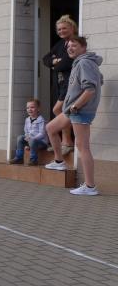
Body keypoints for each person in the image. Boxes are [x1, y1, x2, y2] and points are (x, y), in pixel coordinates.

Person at [44, 35, 103, 195]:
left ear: (83, 48)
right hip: (72, 110)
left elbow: (90, 89)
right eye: (68, 46)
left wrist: (76, 105)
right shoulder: (81, 63)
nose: (70, 48)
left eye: (74, 45)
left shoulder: (84, 63)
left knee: (83, 147)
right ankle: (59, 161)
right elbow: (99, 81)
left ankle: (90, 186)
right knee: (50, 128)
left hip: (80, 111)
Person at [42, 15, 76, 155]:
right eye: (59, 29)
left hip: (71, 83)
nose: (61, 31)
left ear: (72, 28)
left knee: (58, 110)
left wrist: (56, 63)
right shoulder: (60, 44)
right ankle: (65, 142)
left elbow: (66, 63)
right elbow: (45, 59)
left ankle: (67, 142)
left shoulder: (74, 42)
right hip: (61, 84)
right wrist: (55, 61)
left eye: (64, 28)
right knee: (60, 110)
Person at [9, 99, 47, 166]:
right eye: (28, 108)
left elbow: (42, 134)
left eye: (32, 107)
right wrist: (27, 137)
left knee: (33, 141)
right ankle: (19, 158)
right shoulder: (27, 120)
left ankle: (33, 160)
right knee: (20, 138)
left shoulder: (41, 120)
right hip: (30, 141)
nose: (29, 109)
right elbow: (26, 131)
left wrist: (32, 139)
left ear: (38, 109)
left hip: (41, 142)